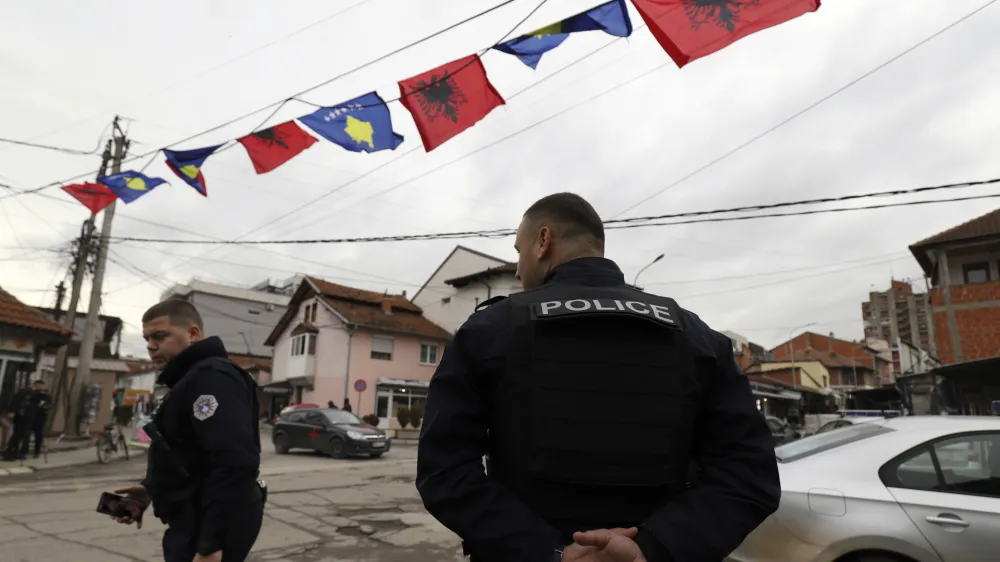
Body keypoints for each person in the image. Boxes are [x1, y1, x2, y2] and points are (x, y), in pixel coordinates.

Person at [416, 193, 780, 562]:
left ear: (543, 242)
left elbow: (444, 472)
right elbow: (748, 476)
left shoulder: (487, 331)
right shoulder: (697, 337)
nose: (517, 270)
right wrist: (653, 547)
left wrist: (549, 551)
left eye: (519, 251)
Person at [109, 299, 265, 562]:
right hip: (189, 520)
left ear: (193, 334)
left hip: (204, 525)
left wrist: (210, 545)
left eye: (160, 336)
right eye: (147, 338)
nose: (150, 346)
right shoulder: (189, 379)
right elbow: (187, 456)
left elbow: (234, 462)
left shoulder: (211, 376)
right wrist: (152, 489)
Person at [2, 383, 33, 461]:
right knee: (16, 435)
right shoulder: (24, 393)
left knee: (20, 436)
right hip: (20, 416)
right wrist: (12, 411)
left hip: (25, 417)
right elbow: (17, 402)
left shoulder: (33, 394)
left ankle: (14, 452)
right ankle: (8, 453)